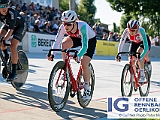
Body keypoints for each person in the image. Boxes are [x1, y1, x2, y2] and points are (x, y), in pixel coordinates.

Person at [47, 10, 97, 100]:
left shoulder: (83, 26)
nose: (66, 26)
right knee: (64, 44)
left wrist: (79, 55)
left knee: (83, 62)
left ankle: (87, 87)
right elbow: (57, 41)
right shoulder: (63, 27)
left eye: (69, 24)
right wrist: (52, 54)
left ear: (74, 22)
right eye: (64, 23)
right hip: (75, 38)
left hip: (89, 40)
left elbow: (85, 46)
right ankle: (65, 68)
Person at [0, 0, 26, 81]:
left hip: (20, 26)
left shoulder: (11, 13)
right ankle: (6, 56)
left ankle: (14, 72)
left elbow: (11, 30)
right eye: (1, 6)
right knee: (0, 39)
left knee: (13, 45)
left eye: (6, 6)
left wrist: (5, 40)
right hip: (7, 25)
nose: (4, 8)